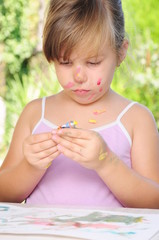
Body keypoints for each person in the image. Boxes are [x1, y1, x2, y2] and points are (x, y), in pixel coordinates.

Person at [1, 0, 159, 208]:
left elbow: (154, 201)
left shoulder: (136, 119)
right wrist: (30, 167)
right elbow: (3, 194)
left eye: (93, 62)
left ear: (121, 52)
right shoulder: (35, 114)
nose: (79, 76)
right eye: (65, 62)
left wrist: (106, 162)